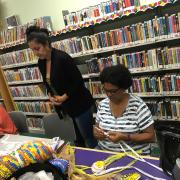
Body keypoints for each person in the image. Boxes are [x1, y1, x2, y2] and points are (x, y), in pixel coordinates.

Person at [26, 26, 97, 148]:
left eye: (37, 48)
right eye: (33, 50)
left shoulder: (62, 58)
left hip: (80, 104)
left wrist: (64, 97)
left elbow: (78, 81)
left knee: (88, 138)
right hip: (66, 107)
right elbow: (47, 82)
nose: (36, 53)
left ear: (47, 43)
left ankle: (96, 163)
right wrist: (50, 96)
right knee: (77, 139)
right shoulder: (41, 62)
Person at [93, 65, 155, 155]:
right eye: (105, 90)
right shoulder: (102, 105)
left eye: (113, 91)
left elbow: (151, 136)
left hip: (133, 154)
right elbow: (97, 129)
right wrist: (97, 134)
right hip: (105, 151)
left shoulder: (137, 106)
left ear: (123, 88)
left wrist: (126, 137)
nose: (109, 95)